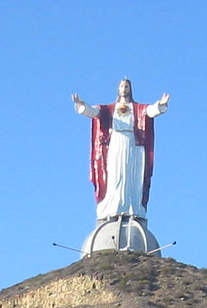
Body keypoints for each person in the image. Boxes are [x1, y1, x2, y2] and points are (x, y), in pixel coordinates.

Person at [72, 79, 170, 221]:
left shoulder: (137, 108)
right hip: (115, 143)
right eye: (122, 86)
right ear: (118, 89)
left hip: (132, 144)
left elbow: (149, 111)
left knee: (132, 175)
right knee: (115, 174)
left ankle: (132, 206)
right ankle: (113, 206)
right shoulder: (109, 109)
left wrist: (160, 104)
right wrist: (81, 105)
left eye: (126, 86)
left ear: (130, 89)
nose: (124, 88)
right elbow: (94, 112)